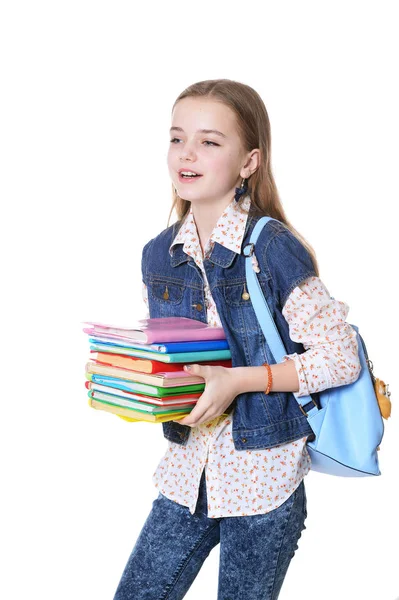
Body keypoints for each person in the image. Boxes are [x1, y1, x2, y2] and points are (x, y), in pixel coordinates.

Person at [113, 79, 361, 600]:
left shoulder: (272, 249)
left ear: (249, 162)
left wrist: (237, 382)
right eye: (177, 138)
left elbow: (341, 359)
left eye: (209, 141)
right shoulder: (159, 254)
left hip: (264, 475)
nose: (187, 154)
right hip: (186, 473)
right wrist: (136, 383)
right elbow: (175, 361)